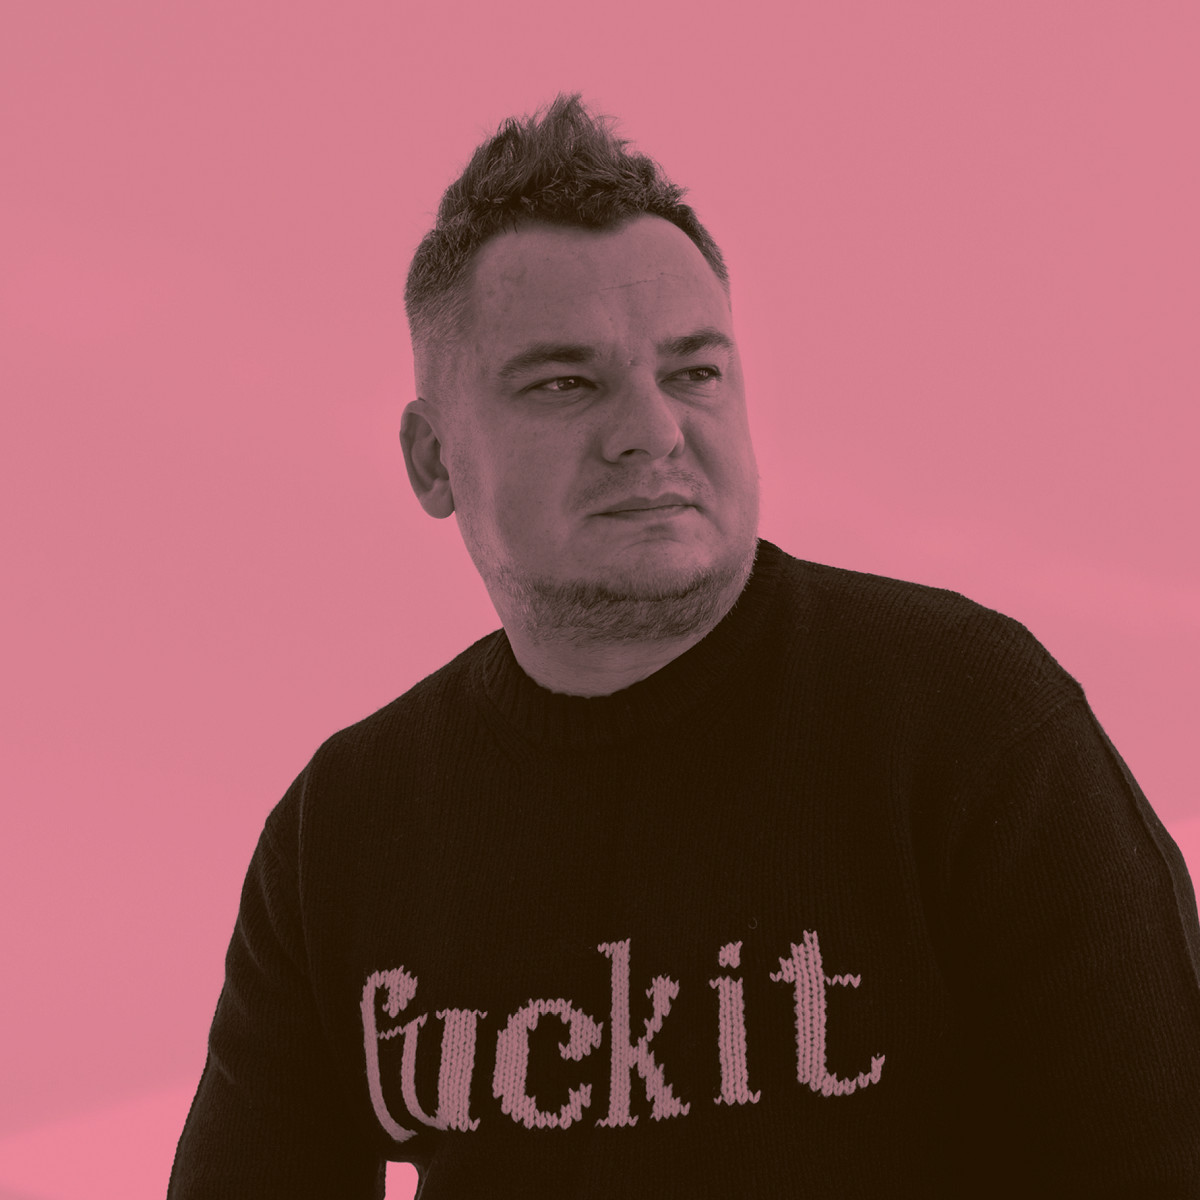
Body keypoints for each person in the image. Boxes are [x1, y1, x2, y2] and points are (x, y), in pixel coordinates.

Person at [168, 94, 1200, 1198]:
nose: (652, 432)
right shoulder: (342, 830)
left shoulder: (971, 718)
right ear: (433, 459)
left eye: (693, 372)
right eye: (565, 383)